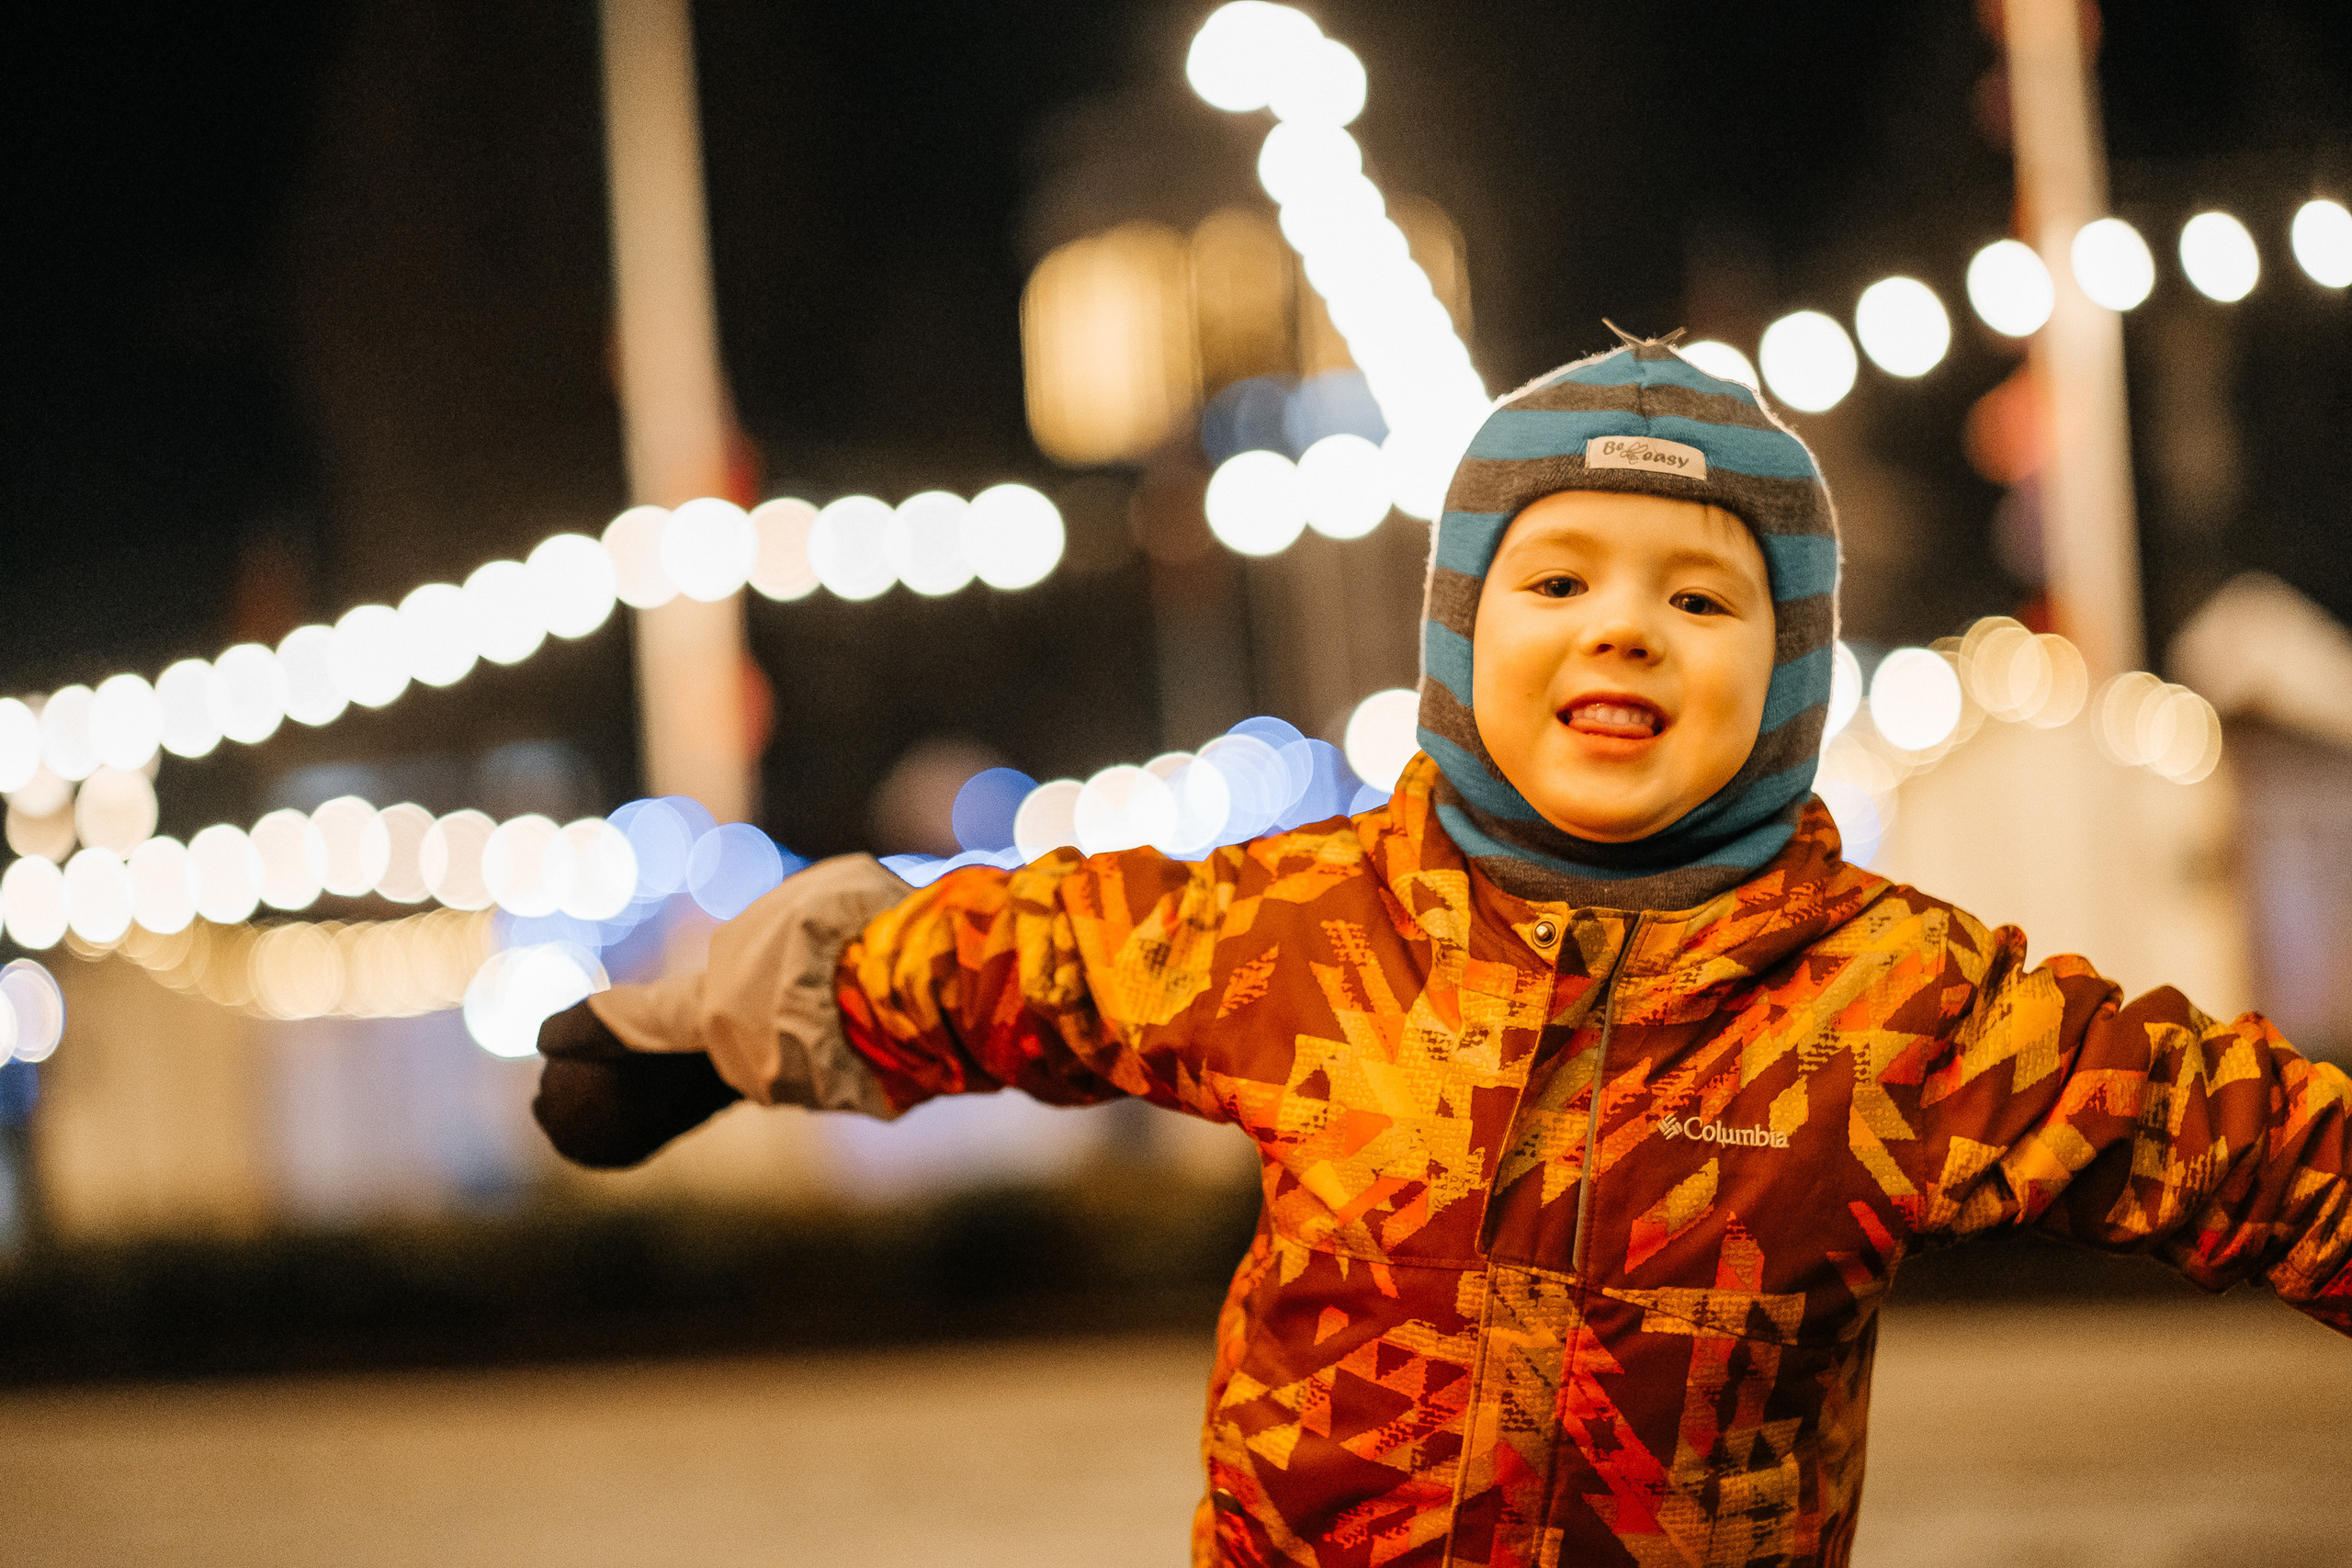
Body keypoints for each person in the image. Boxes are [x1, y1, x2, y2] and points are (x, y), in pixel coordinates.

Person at [534, 332, 2352, 1568]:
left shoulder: (1891, 1000)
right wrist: (690, 1024)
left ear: (1786, 667)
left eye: (1696, 595)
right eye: (1555, 581)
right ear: (1460, 637)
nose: (1620, 631)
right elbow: (992, 951)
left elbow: (2240, 1137)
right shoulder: (1300, 929)